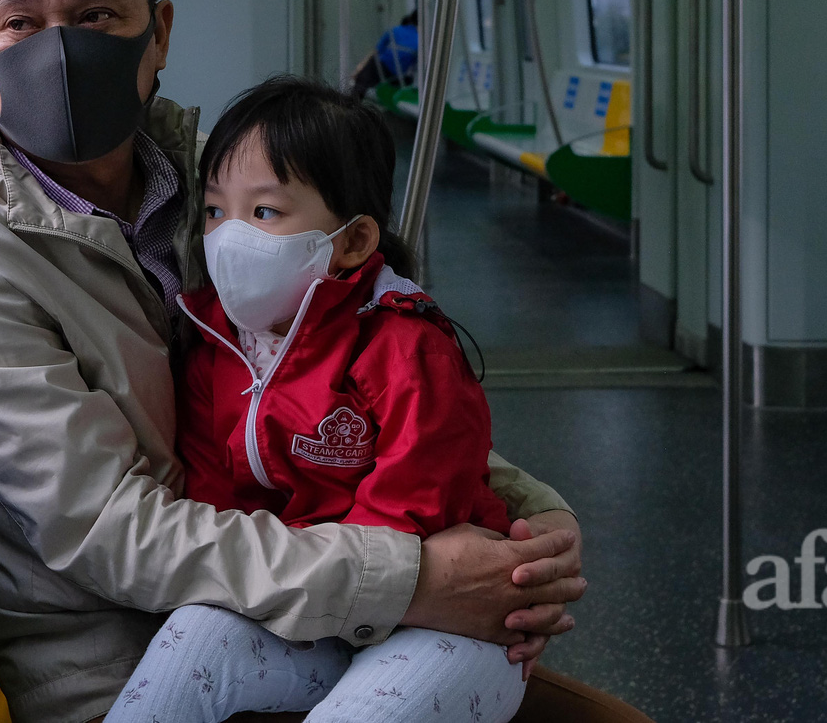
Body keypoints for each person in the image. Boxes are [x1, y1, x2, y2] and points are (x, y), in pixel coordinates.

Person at [0, 0, 586, 723]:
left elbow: (351, 383)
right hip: (124, 662)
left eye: (97, 15)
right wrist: (416, 579)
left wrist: (524, 520)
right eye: (21, 22)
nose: (60, 51)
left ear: (159, 33)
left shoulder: (212, 185)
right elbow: (116, 534)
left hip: (298, 588)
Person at [107, 76, 528, 723]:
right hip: (321, 607)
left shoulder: (405, 347)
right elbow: (219, 502)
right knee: (193, 635)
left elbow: (411, 516)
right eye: (216, 210)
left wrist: (307, 575)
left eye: (265, 212)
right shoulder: (217, 342)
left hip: (452, 616)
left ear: (354, 242)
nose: (227, 237)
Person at [347, 11, 418, 99]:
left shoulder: (395, 30)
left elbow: (376, 51)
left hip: (381, 66)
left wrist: (359, 68)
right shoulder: (420, 41)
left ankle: (352, 102)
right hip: (397, 76)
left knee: (361, 84)